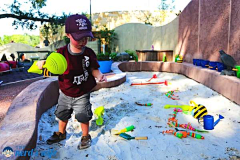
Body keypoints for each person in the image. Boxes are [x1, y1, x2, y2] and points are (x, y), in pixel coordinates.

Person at [36, 14, 107, 150]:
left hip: (82, 92)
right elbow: (50, 64)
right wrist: (42, 63)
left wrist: (99, 75)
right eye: (79, 38)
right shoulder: (61, 53)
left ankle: (85, 136)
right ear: (68, 35)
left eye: (86, 38)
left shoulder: (89, 53)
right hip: (65, 91)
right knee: (62, 115)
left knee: (83, 115)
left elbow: (94, 68)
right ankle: (61, 133)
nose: (83, 41)